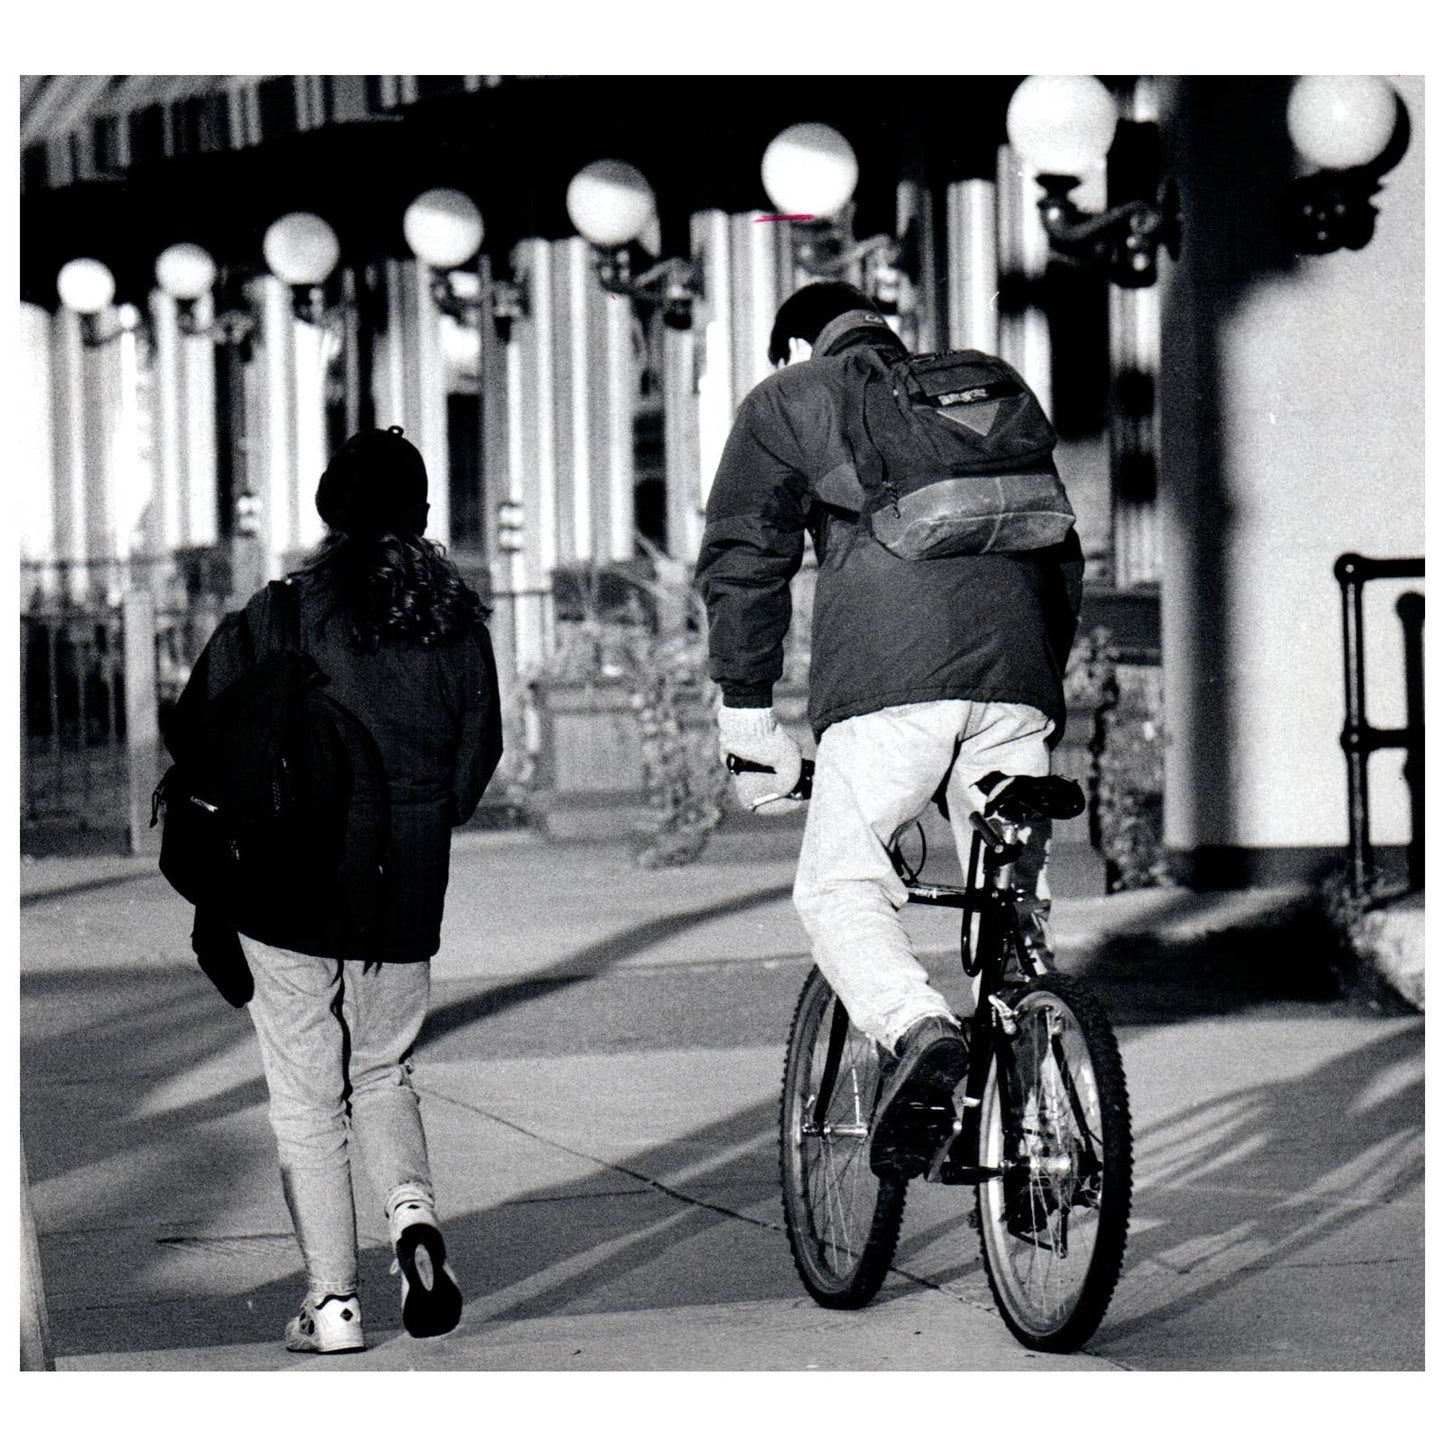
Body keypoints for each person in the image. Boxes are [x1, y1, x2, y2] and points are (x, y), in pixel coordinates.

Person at [695, 282, 1083, 1180]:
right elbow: (1055, 547)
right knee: (1014, 909)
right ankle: (1037, 1149)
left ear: (796, 344)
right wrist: (1031, 686)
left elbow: (747, 552)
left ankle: (918, 1032)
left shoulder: (793, 395)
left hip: (889, 683)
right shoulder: (981, 391)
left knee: (837, 888)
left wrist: (747, 711)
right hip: (1017, 677)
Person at [175, 426, 503, 1354]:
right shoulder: (456, 624)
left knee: (306, 1095)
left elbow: (203, 728)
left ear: (328, 512)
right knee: (385, 1070)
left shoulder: (280, 613)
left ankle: (332, 1305)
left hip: (286, 882)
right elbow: (475, 767)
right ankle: (412, 1223)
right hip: (404, 887)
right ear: (423, 513)